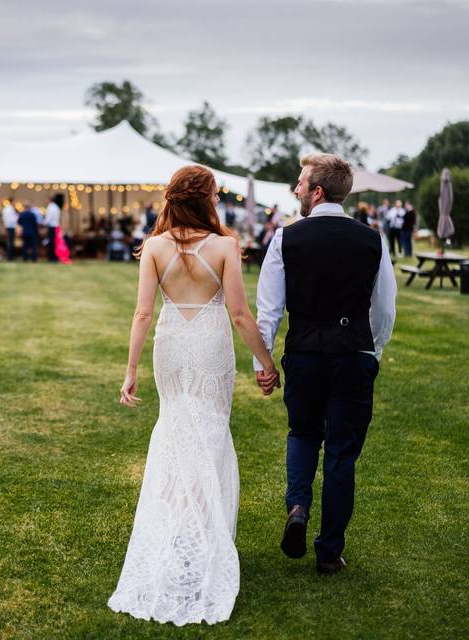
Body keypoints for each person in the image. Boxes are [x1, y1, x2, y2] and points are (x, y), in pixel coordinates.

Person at [107, 165, 279, 626]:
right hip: (208, 342)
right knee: (210, 434)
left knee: (176, 430)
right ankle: (201, 538)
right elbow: (241, 315)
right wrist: (266, 361)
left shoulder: (155, 246)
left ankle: (179, 536)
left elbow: (143, 313)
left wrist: (130, 372)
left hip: (171, 344)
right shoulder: (225, 245)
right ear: (206, 199)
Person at [254, 153, 396, 576]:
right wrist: (374, 350)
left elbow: (269, 310)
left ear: (317, 191)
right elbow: (384, 307)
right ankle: (330, 550)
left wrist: (263, 362)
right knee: (340, 455)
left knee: (302, 432)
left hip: (304, 354)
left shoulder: (285, 239)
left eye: (300, 183)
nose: (296, 189)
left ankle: (297, 507)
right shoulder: (373, 240)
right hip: (353, 354)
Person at [45, 194, 62, 262]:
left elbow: (49, 218)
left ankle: (51, 258)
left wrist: (44, 223)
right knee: (55, 243)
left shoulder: (50, 207)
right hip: (56, 227)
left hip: (52, 227)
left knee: (51, 243)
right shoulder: (57, 207)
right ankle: (55, 257)